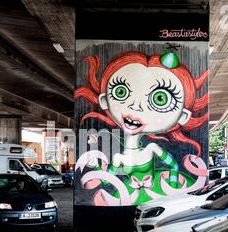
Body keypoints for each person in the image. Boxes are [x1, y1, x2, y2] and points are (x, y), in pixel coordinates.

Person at [75, 51, 209, 205]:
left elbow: (174, 165)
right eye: (121, 92)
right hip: (130, 194)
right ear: (104, 100)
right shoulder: (119, 158)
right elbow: (108, 181)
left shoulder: (151, 147)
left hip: (160, 191)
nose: (136, 106)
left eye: (160, 98)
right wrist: (97, 166)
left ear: (182, 116)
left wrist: (172, 186)